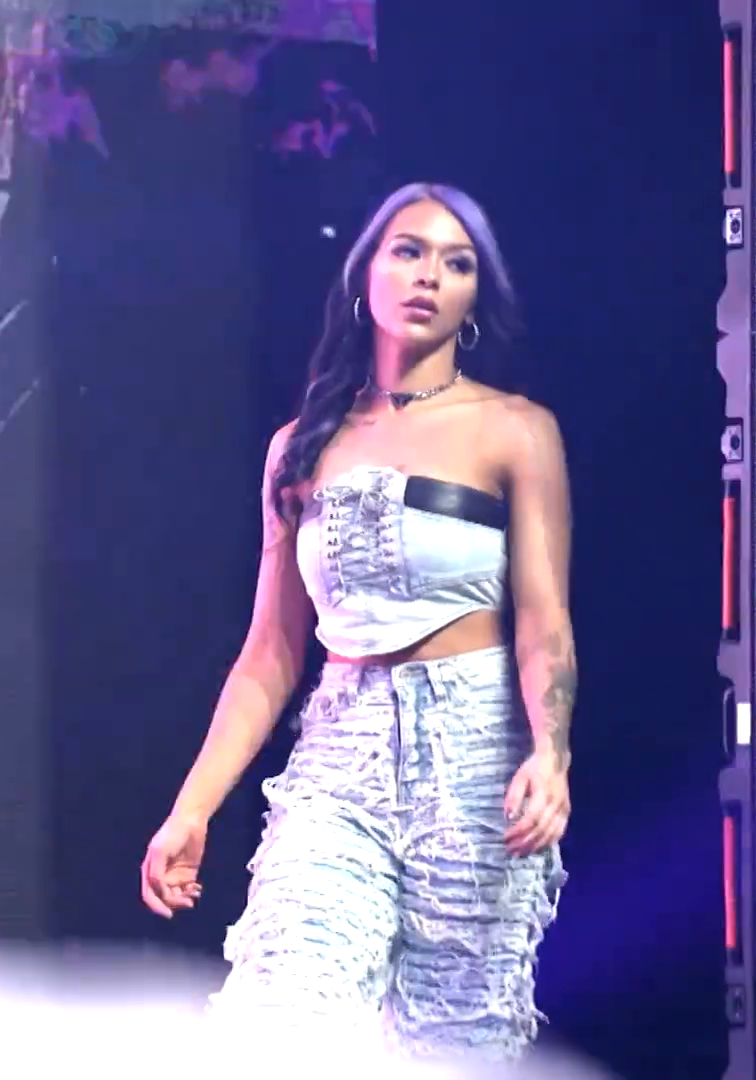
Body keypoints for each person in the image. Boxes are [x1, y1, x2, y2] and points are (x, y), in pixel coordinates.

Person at [139, 182, 573, 1063]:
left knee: (454, 1052)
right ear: (364, 273)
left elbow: (544, 623)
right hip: (341, 758)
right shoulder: (301, 444)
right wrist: (192, 808)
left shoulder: (516, 430)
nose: (429, 276)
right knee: (282, 1023)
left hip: (477, 764)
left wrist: (550, 752)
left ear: (474, 297)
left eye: (457, 264)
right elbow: (270, 652)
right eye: (408, 251)